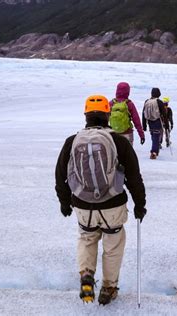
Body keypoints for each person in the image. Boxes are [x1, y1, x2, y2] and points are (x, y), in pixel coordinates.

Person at [55, 95, 147, 305]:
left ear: (86, 115)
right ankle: (108, 288)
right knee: (112, 246)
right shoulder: (118, 141)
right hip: (113, 205)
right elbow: (134, 176)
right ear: (107, 114)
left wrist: (64, 201)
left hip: (82, 205)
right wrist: (140, 204)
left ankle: (86, 274)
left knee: (87, 239)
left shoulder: (72, 141)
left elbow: (60, 174)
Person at [108, 82, 145, 146]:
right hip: (127, 133)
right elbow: (136, 120)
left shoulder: (111, 103)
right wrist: (141, 135)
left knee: (116, 154)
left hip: (114, 134)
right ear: (128, 91)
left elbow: (104, 119)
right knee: (128, 154)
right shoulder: (129, 104)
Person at [142, 87, 168, 159]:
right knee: (156, 136)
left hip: (149, 122)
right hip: (157, 121)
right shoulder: (159, 102)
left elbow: (143, 114)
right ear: (159, 94)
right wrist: (167, 125)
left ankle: (155, 149)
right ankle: (154, 152)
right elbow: (164, 114)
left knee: (153, 135)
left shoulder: (147, 101)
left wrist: (144, 125)